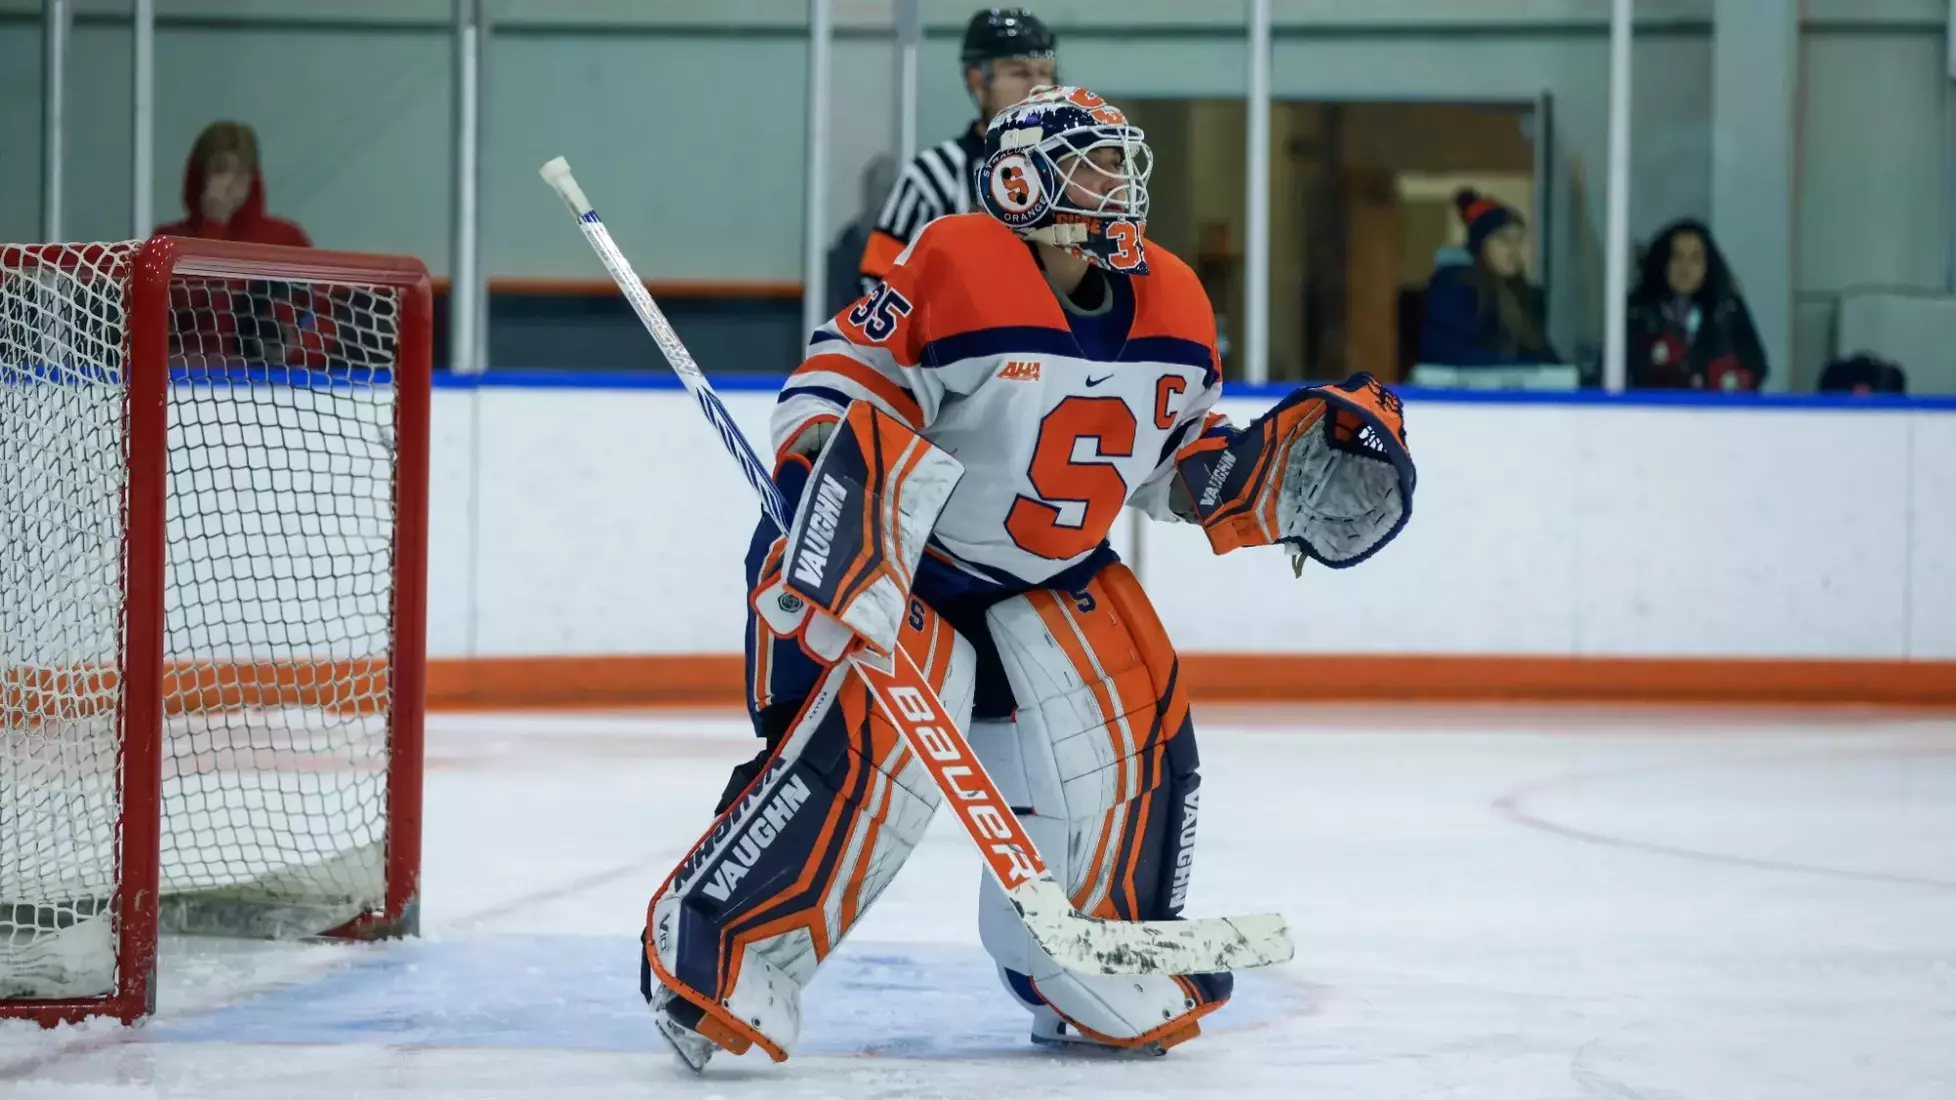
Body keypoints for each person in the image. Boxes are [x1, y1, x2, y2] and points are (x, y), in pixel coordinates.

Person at [641, 85, 1416, 1071]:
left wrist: (1258, 473)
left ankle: (1081, 957)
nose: (1121, 186)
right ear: (1020, 181)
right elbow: (829, 396)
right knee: (872, 757)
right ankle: (719, 941)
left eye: (1123, 163)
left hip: (1039, 576)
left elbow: (1172, 459)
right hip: (884, 556)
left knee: (1135, 721)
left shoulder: (1175, 301)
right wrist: (835, 524)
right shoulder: (955, 265)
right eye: (1093, 164)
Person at [854, 7, 1058, 294]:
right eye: (1019, 72)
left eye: (1045, 73)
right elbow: (877, 282)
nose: (1038, 87)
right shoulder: (931, 177)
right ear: (977, 81)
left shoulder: (1067, 170)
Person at [1417, 189, 1557, 367]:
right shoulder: (1456, 290)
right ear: (1481, 246)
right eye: (1503, 240)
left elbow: (1540, 350)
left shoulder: (1527, 296)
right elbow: (1444, 351)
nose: (1513, 250)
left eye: (1518, 240)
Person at [1627, 219, 1768, 390]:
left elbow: (1757, 367)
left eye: (1695, 259)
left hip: (1714, 413)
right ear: (1662, 262)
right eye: (1677, 257)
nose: (1685, 268)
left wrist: (1729, 377)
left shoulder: (1727, 309)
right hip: (1652, 413)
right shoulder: (1638, 311)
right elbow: (1622, 371)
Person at [152, 121, 311, 246]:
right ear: (201, 175)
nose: (232, 180)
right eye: (221, 169)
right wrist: (214, 223)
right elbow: (199, 286)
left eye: (241, 171)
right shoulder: (170, 241)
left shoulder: (286, 238)